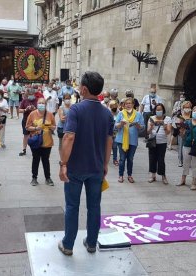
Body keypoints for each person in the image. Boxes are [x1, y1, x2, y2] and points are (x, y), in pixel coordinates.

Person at [58, 71, 114, 256]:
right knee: (94, 206)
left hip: (75, 168)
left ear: (83, 89)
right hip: (96, 168)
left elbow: (69, 137)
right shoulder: (107, 113)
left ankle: (68, 245)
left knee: (72, 207)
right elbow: (109, 141)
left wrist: (63, 163)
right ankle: (91, 242)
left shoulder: (76, 109)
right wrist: (105, 164)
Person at [26, 97, 56, 186]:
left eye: (43, 103)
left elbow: (54, 126)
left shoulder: (50, 114)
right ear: (37, 104)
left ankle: (48, 178)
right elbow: (27, 127)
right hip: (36, 142)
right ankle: (34, 178)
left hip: (47, 142)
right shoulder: (32, 114)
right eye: (40, 103)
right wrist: (35, 128)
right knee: (36, 159)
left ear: (46, 105)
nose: (41, 105)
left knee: (46, 160)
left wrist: (51, 127)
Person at [114, 97, 145, 183]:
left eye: (130, 103)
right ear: (124, 105)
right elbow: (115, 126)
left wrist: (138, 125)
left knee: (130, 159)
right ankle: (121, 175)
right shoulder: (121, 114)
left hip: (133, 140)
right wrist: (121, 124)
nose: (128, 105)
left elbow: (142, 128)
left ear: (133, 104)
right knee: (122, 159)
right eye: (126, 103)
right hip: (121, 140)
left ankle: (130, 175)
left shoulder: (138, 114)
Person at [147, 103, 171, 184]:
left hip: (162, 142)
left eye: (160, 110)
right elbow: (148, 131)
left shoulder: (167, 119)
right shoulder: (151, 118)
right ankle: (152, 175)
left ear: (163, 110)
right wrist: (151, 126)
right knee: (152, 158)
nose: (159, 111)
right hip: (153, 141)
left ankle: (163, 176)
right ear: (155, 111)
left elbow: (168, 132)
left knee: (161, 159)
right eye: (157, 110)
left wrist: (165, 127)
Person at [18, 88, 38, 156]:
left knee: (35, 135)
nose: (31, 96)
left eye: (32, 94)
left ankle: (35, 149)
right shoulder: (24, 100)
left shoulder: (37, 100)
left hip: (35, 121)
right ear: (27, 94)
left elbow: (42, 110)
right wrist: (26, 109)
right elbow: (19, 110)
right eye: (29, 94)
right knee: (26, 135)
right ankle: (24, 150)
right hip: (26, 120)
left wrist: (35, 109)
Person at [174, 100, 192, 167]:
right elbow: (177, 124)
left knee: (189, 147)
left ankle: (188, 161)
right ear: (183, 108)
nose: (187, 109)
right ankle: (180, 161)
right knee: (181, 146)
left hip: (190, 133)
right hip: (181, 133)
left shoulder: (192, 115)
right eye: (186, 107)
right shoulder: (180, 115)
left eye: (188, 107)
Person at [109, 100, 119, 166]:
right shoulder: (108, 113)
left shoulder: (119, 113)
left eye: (115, 106)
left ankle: (115, 159)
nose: (114, 108)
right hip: (108, 132)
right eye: (112, 106)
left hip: (116, 132)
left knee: (115, 146)